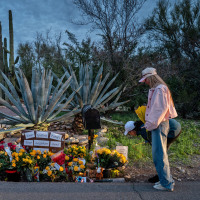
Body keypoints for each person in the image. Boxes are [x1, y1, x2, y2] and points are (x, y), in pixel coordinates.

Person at [132, 67, 177, 191]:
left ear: (150, 77)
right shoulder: (158, 89)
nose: (145, 82)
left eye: (145, 79)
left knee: (159, 155)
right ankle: (166, 180)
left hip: (159, 124)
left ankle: (166, 184)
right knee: (159, 154)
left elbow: (159, 110)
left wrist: (149, 124)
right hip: (160, 124)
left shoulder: (160, 89)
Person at [124, 118, 181, 183]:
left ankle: (162, 178)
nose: (130, 134)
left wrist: (151, 142)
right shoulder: (142, 125)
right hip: (175, 126)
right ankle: (163, 175)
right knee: (161, 154)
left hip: (172, 130)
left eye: (129, 133)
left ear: (132, 131)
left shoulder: (143, 130)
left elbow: (154, 142)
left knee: (159, 154)